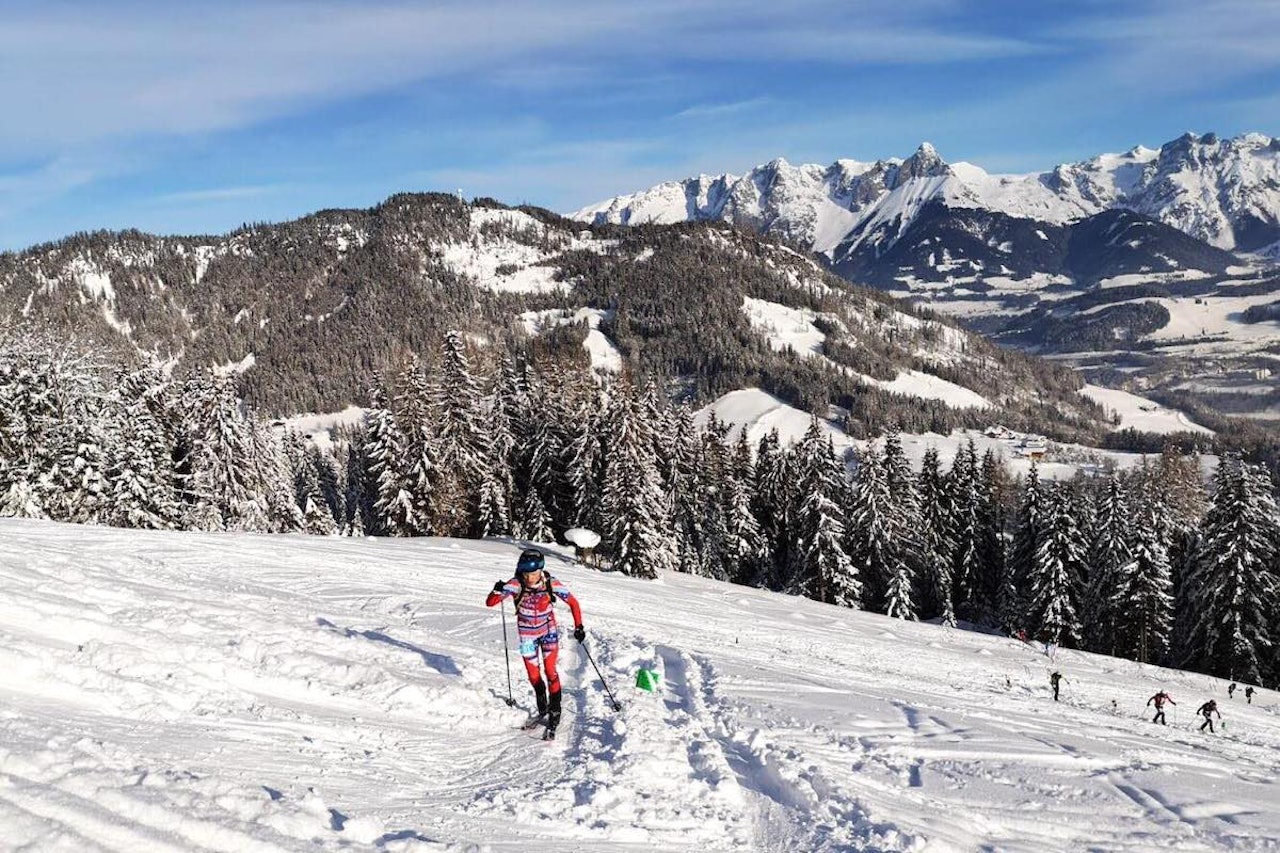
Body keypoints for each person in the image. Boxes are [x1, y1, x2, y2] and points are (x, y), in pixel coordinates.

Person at [486, 548, 584, 738]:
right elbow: (490, 603)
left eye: (532, 573)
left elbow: (573, 603)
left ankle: (555, 713)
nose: (529, 578)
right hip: (527, 637)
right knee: (533, 676)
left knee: (550, 672)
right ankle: (542, 709)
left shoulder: (550, 583)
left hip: (548, 633)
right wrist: (497, 589)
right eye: (525, 573)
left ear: (540, 570)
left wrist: (579, 626)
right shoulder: (515, 584)